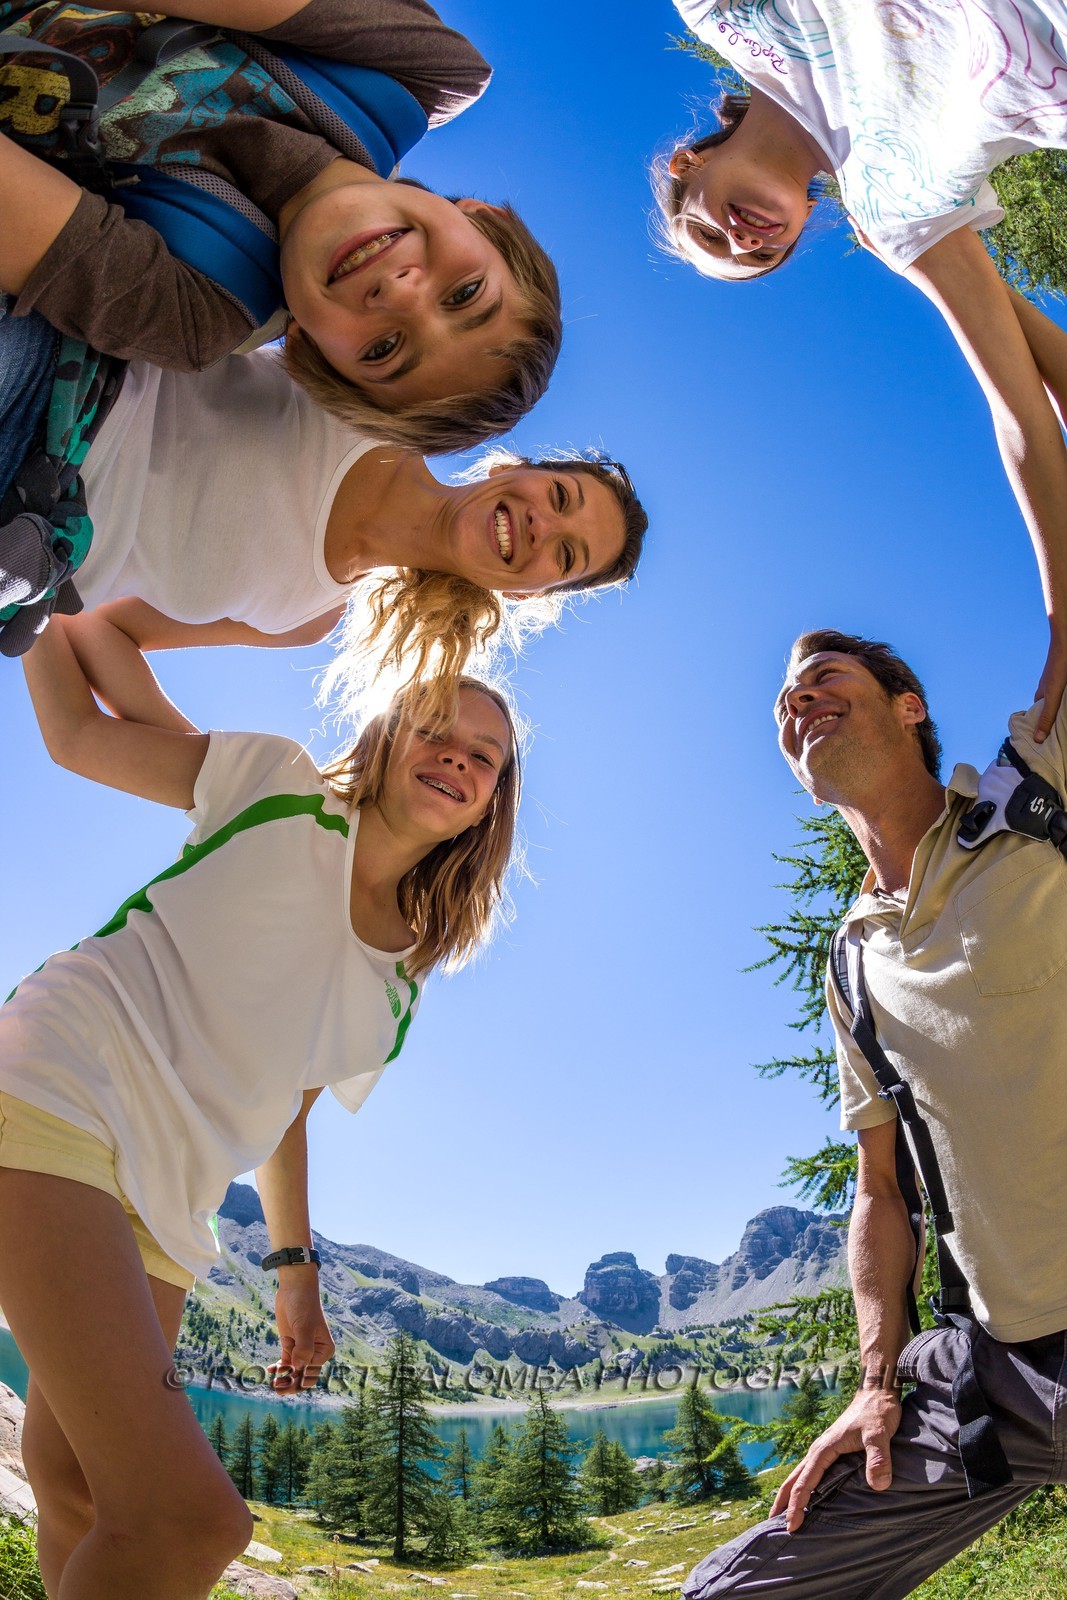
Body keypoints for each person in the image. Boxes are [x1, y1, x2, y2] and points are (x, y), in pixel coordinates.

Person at [0, 618, 521, 1598]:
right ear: (384, 737)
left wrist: (296, 1277)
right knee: (190, 1522)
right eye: (435, 728)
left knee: (76, 1490)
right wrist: (24, 595)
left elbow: (285, 1111)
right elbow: (77, 727)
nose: (458, 754)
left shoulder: (398, 978)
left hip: (170, 1201)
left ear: (490, 803)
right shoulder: (281, 790)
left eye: (484, 755)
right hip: (60, 1085)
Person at [683, 619, 1067, 1599]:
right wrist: (873, 1384)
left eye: (822, 677)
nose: (795, 698)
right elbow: (878, 1194)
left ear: (908, 707)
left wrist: (1022, 454)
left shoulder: (1031, 797)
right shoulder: (850, 960)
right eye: (783, 698)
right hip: (991, 1375)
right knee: (733, 1592)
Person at [657, 0, 1067, 733]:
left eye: (704, 233)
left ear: (690, 162)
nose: (740, 243)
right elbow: (1023, 412)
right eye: (757, 260)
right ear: (804, 227)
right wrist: (1064, 615)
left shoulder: (723, 15)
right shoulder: (892, 204)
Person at [0, 0, 563, 454]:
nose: (399, 292)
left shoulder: (194, 308)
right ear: (487, 220)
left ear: (306, 354)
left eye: (384, 349)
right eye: (465, 294)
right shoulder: (417, 74)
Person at [43, 436, 646, 725]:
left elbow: (100, 627)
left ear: (525, 594)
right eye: (561, 496)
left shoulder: (307, 616)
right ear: (516, 466)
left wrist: (221, 786)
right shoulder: (377, 409)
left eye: (566, 556)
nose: (544, 526)